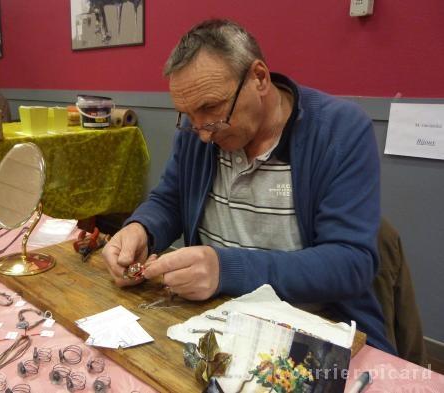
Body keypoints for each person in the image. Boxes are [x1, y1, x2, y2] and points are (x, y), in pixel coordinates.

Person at [101, 19, 395, 353]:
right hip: (211, 322)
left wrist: (226, 269)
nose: (203, 133)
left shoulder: (339, 130)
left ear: (259, 78)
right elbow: (170, 199)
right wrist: (143, 229)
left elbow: (351, 263)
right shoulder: (198, 131)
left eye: (211, 108)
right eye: (187, 114)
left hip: (313, 328)